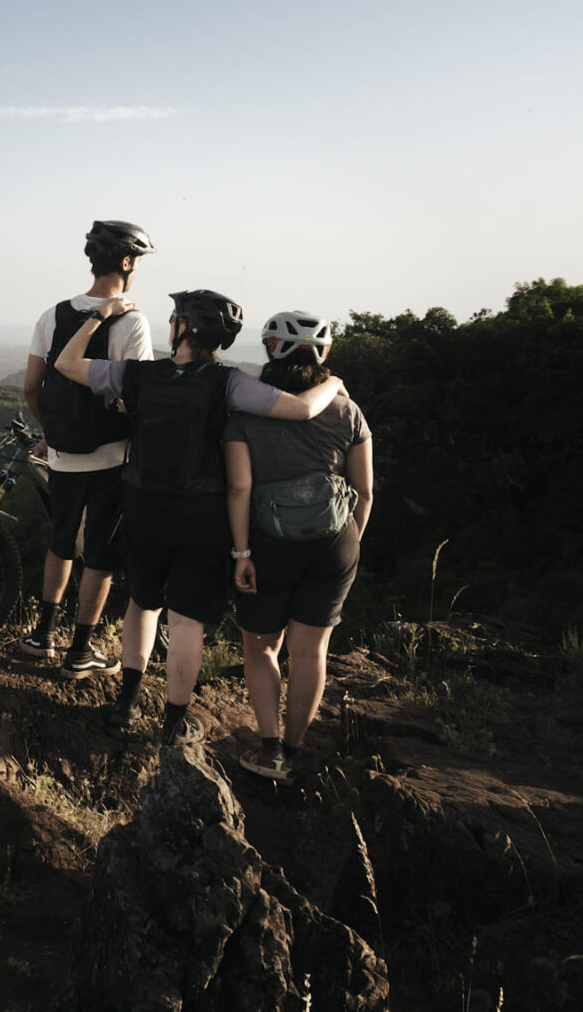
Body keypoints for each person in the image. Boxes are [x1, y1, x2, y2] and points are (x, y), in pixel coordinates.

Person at [52, 290, 347, 744]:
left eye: (174, 319)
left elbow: (66, 364)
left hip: (143, 508)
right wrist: (335, 382)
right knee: (186, 619)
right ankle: (174, 723)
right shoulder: (229, 382)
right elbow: (303, 408)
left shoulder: (137, 374)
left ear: (184, 328)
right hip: (203, 517)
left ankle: (126, 704)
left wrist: (100, 315)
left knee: (142, 603)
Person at [225, 311, 373, 780]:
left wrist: (242, 554)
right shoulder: (348, 411)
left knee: (262, 647)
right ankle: (293, 751)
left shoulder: (245, 414)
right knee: (311, 652)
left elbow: (239, 489)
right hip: (335, 542)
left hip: (267, 543)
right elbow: (365, 491)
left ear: (270, 349)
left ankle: (269, 750)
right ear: (324, 353)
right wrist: (349, 545)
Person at [18, 220, 158, 679]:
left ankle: (42, 636)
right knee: (101, 553)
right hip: (111, 455)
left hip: (62, 455)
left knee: (61, 541)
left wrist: (53, 431)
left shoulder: (52, 315)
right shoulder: (132, 321)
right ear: (126, 262)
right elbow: (136, 395)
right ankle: (80, 651)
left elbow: (31, 388)